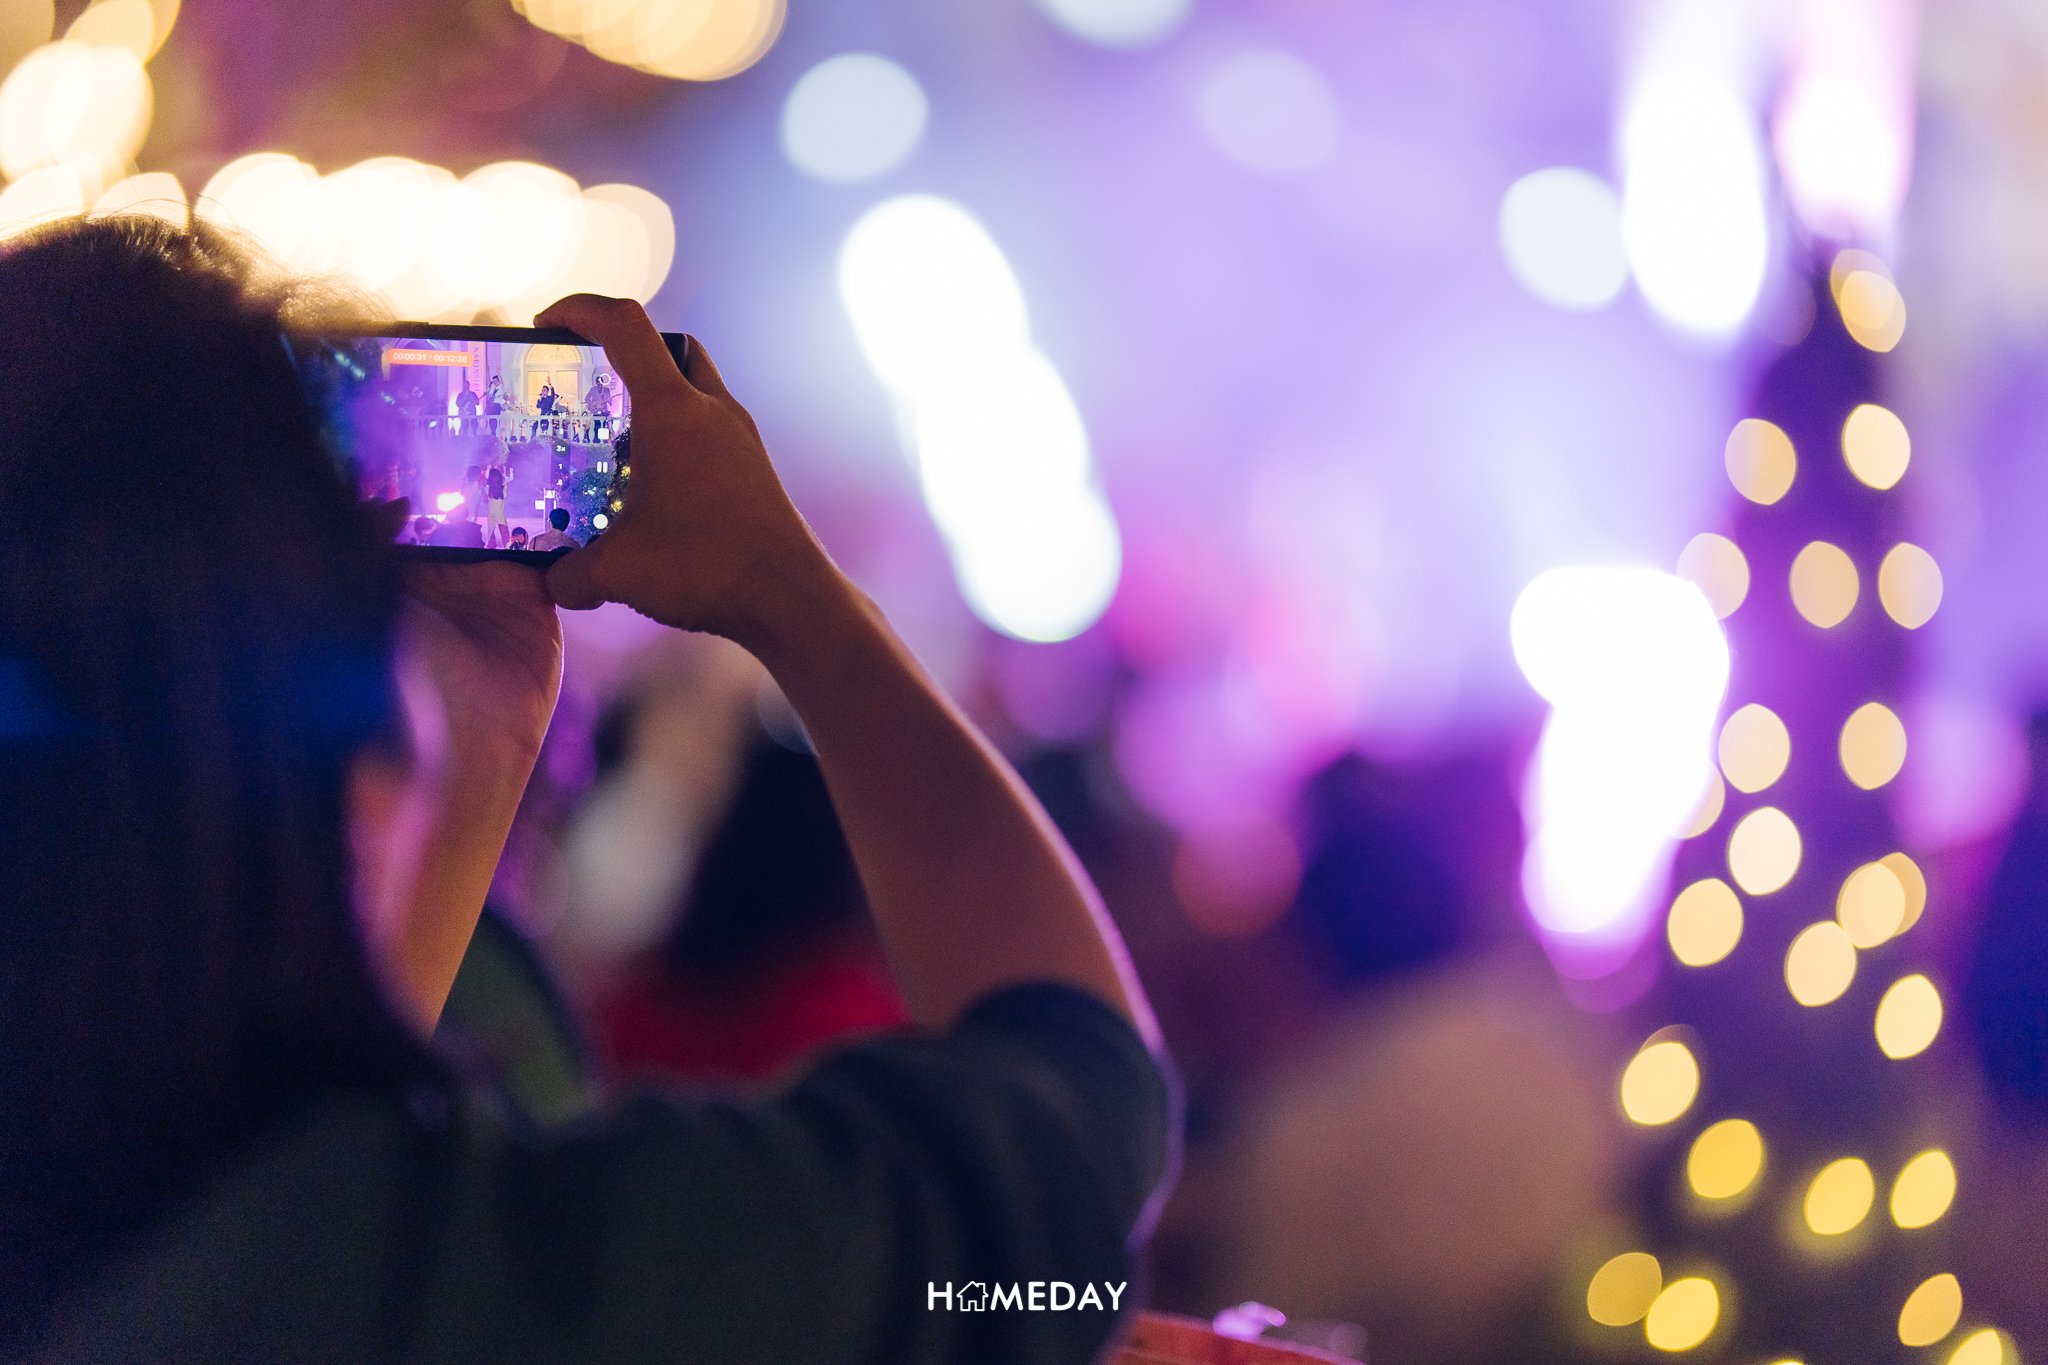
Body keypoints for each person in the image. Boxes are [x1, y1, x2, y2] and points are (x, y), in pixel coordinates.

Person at [0, 216, 1171, 1363]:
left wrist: (478, 735)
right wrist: (791, 594)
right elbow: (1074, 1128)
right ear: (358, 782)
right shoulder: (500, 1280)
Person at [485, 462, 509, 548]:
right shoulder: (503, 488)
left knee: (491, 532)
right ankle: (507, 548)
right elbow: (504, 496)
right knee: (504, 533)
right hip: (500, 512)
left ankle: (491, 547)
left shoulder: (488, 488)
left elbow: (485, 500)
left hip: (490, 512)